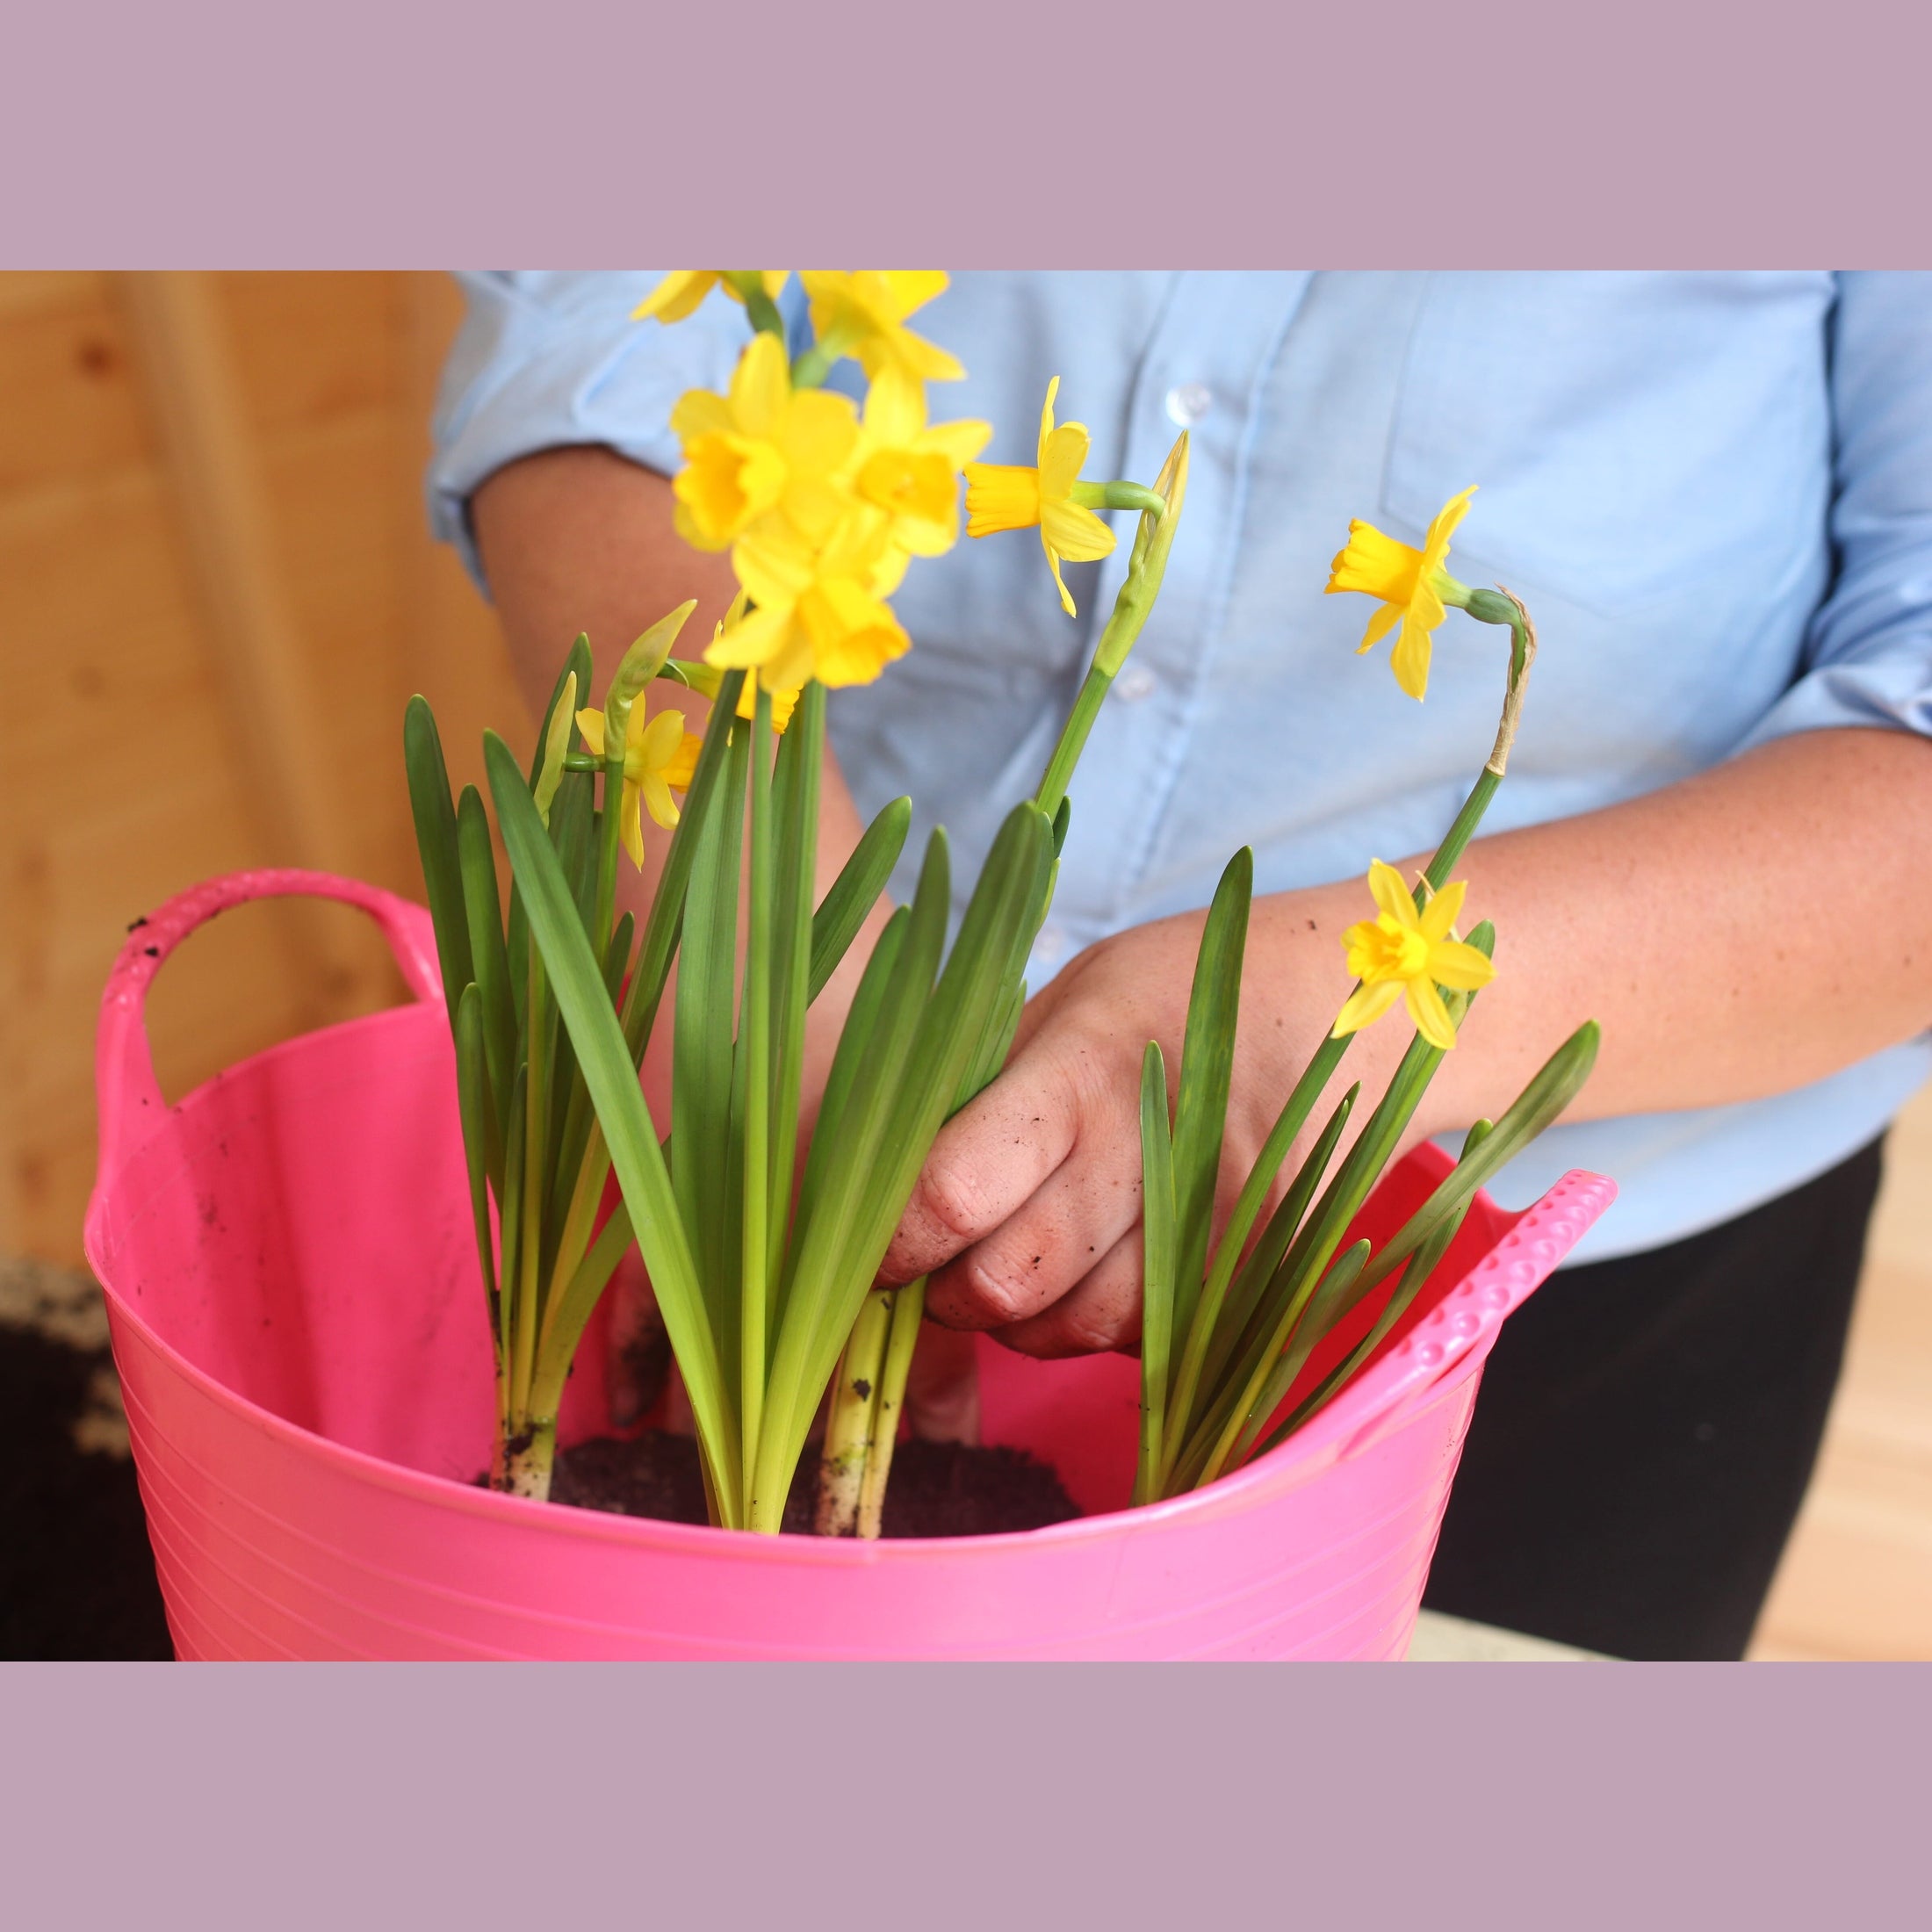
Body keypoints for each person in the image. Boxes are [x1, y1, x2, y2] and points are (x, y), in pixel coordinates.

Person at [429, 270, 1932, 1660]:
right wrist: (767, 944)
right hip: (755, 1105)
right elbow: (596, 320)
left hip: (1556, 1281)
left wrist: (1288, 1029)